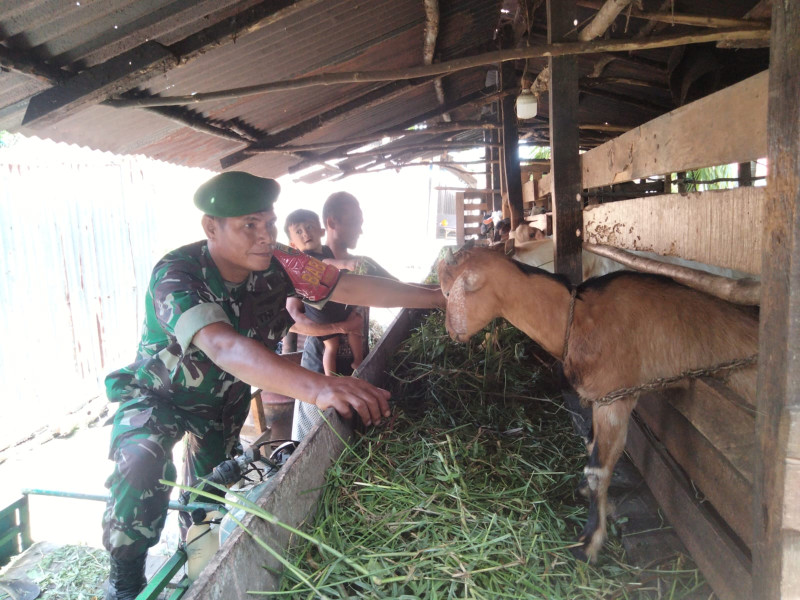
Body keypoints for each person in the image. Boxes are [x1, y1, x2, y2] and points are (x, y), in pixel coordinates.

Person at [101, 172, 444, 599]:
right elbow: (223, 345)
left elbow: (348, 284)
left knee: (207, 496)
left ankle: (198, 571)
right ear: (211, 227)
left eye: (269, 222)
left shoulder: (281, 262)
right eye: (249, 225)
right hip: (159, 395)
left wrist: (435, 296)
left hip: (222, 403)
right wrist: (320, 388)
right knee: (140, 461)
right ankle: (125, 577)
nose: (265, 235)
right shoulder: (178, 274)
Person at [291, 192, 399, 440]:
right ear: (332, 222)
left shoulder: (363, 265)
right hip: (318, 378)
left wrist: (436, 293)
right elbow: (292, 321)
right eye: (355, 222)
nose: (360, 230)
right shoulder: (308, 266)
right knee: (315, 443)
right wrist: (342, 327)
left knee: (355, 440)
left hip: (356, 370)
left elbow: (401, 290)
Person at [284, 208, 364, 375]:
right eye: (299, 231)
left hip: (339, 309)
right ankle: (330, 378)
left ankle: (359, 362)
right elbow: (325, 264)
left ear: (321, 231)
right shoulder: (304, 263)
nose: (306, 233)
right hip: (322, 320)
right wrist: (346, 264)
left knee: (355, 327)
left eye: (309, 227)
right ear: (292, 244)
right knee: (332, 345)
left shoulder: (329, 252)